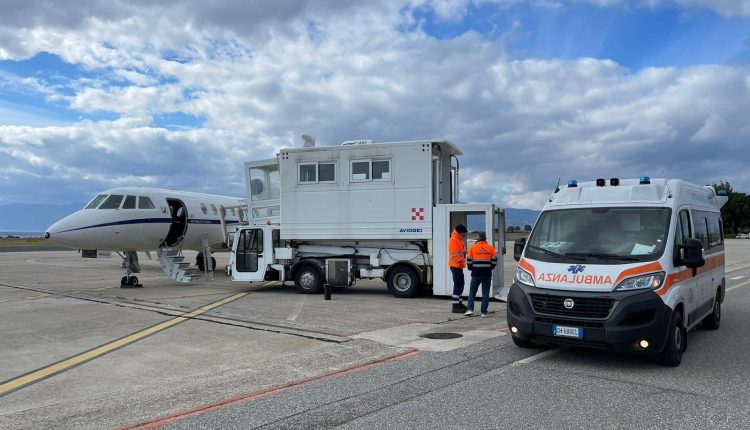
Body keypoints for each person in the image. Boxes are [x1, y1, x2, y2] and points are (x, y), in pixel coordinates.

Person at [465, 232, 498, 317]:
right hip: (487, 274)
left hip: (476, 274)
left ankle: (469, 309)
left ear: (478, 238)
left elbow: (469, 261)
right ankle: (483, 312)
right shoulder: (490, 248)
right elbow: (494, 261)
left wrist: (472, 268)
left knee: (472, 292)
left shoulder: (473, 247)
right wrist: (489, 268)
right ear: (485, 238)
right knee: (485, 293)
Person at [449, 224, 468, 313]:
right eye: (464, 234)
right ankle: (455, 306)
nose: (464, 236)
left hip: (458, 266)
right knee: (458, 285)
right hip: (455, 266)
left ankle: (459, 303)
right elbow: (455, 256)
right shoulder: (454, 240)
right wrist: (463, 259)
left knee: (461, 284)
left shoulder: (458, 239)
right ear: (460, 233)